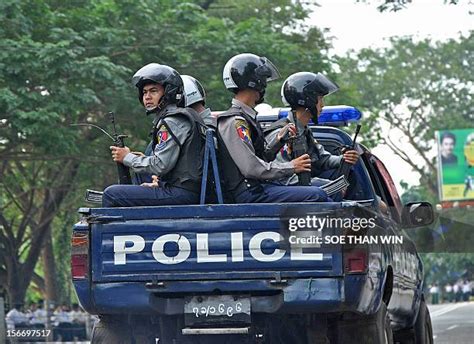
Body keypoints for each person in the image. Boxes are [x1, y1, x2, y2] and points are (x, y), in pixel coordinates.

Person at [216, 53, 330, 203]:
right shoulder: (236, 121)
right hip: (250, 194)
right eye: (263, 79)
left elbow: (260, 158)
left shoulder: (246, 117)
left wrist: (279, 141)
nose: (265, 84)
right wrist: (292, 167)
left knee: (321, 192)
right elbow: (251, 168)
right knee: (317, 194)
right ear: (254, 82)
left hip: (257, 189)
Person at [102, 63, 206, 207]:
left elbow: (160, 165)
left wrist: (127, 158)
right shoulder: (177, 118)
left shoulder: (172, 121)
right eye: (144, 92)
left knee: (111, 194)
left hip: (182, 193)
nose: (147, 97)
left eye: (153, 91)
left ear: (168, 92)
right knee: (138, 177)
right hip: (182, 189)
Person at [265, 72, 359, 199]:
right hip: (286, 196)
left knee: (346, 175)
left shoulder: (304, 131)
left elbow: (322, 159)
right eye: (320, 99)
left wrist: (344, 159)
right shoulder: (282, 133)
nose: (322, 105)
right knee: (333, 190)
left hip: (301, 190)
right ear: (308, 99)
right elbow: (283, 178)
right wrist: (322, 186)